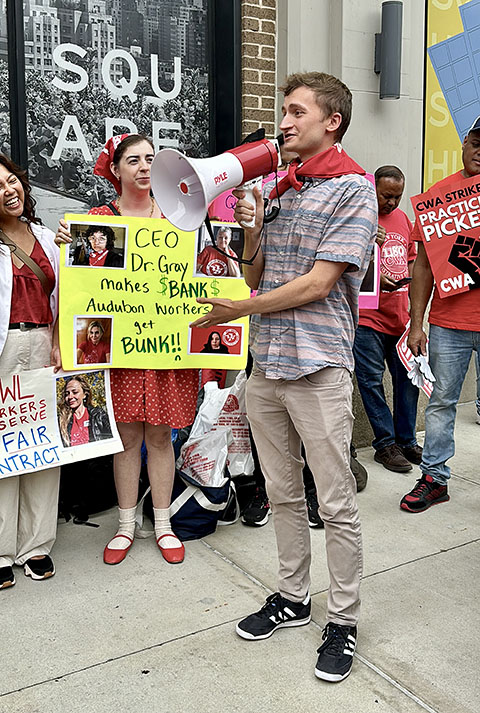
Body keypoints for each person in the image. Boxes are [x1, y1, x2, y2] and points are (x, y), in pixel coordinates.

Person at [191, 72, 377, 682]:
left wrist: (239, 310)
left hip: (318, 365)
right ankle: (293, 597)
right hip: (268, 363)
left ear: (332, 122)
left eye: (297, 111)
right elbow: (255, 274)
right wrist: (252, 229)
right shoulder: (280, 186)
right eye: (284, 111)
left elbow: (320, 284)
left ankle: (343, 620)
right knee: (282, 491)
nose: (285, 122)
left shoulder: (354, 190)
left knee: (335, 501)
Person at [56, 134, 198, 564]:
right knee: (126, 438)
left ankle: (164, 524)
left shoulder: (178, 217)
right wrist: (66, 245)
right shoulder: (98, 222)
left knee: (160, 436)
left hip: (164, 346)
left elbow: (195, 279)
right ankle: (125, 525)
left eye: (150, 159)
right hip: (117, 350)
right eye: (133, 160)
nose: (143, 167)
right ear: (114, 169)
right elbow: (78, 290)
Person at [400, 117, 480, 513]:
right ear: (464, 143)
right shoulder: (439, 198)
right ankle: (434, 478)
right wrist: (416, 324)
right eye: (477, 142)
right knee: (441, 403)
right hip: (448, 323)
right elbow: (423, 267)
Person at [0, 154, 60, 589]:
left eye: (11, 180)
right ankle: (1, 549)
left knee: (41, 443)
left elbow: (68, 295)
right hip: (3, 347)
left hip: (43, 342)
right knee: (3, 446)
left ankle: (37, 545)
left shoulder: (46, 236)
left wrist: (59, 341)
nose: (8, 190)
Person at [353, 166, 421, 473]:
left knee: (408, 381)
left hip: (400, 317)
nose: (391, 202)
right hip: (367, 319)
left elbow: (412, 261)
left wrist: (415, 310)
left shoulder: (403, 220)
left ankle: (406, 440)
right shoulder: (359, 218)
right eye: (386, 196)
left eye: (397, 196)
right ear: (373, 190)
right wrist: (371, 254)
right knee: (371, 382)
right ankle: (385, 444)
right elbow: (345, 263)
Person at [58, 375, 113, 447]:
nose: (70, 397)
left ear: (85, 394)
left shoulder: (98, 415)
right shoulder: (62, 421)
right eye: (67, 394)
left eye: (75, 392)